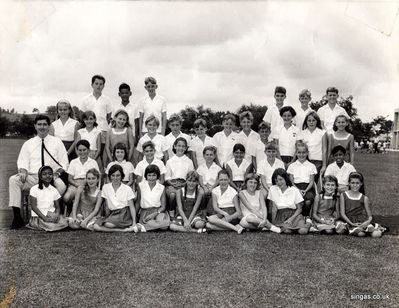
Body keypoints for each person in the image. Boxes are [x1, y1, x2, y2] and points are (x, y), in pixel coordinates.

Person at [8, 114, 68, 228]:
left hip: (51, 177)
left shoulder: (57, 142)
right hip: (33, 177)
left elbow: (64, 163)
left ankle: (50, 214)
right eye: (39, 124)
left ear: (49, 126)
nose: (42, 127)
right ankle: (17, 218)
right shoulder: (28, 144)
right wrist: (23, 171)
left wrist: (57, 174)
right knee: (13, 180)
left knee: (61, 186)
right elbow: (22, 161)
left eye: (45, 124)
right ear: (35, 126)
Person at [336, 172, 385, 237]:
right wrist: (351, 223)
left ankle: (372, 229)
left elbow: (370, 216)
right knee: (360, 234)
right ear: (349, 183)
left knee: (376, 235)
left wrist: (366, 222)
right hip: (348, 220)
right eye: (353, 183)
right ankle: (361, 230)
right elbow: (342, 214)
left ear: (361, 184)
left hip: (361, 220)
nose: (355, 185)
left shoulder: (364, 198)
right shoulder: (343, 195)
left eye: (357, 183)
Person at [80, 75, 112, 166]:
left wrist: (102, 128)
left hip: (103, 131)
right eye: (96, 83)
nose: (98, 86)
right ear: (92, 85)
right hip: (89, 131)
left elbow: (109, 117)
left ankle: (101, 175)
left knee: (102, 155)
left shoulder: (107, 100)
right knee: (89, 152)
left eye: (101, 84)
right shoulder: (85, 99)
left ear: (104, 86)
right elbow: (82, 116)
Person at [93, 165, 137, 232]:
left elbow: (132, 207)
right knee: (96, 226)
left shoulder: (127, 189)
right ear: (110, 176)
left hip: (124, 213)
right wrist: (107, 217)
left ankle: (119, 227)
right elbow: (107, 206)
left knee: (108, 225)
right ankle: (122, 230)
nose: (115, 178)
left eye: (118, 175)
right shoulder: (105, 187)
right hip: (112, 213)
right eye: (113, 175)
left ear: (122, 176)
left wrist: (134, 222)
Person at [267, 168, 309, 234]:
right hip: (281, 216)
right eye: (276, 181)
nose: (279, 182)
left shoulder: (294, 190)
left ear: (285, 179)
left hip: (294, 215)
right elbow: (273, 208)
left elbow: (299, 209)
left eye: (280, 179)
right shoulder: (272, 189)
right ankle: (289, 228)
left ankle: (307, 224)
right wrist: (273, 224)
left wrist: (291, 219)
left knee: (303, 231)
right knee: (287, 231)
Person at [27, 166, 68, 231]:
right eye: (44, 174)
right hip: (39, 216)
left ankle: (53, 224)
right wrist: (44, 218)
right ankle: (47, 225)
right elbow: (34, 207)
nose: (47, 176)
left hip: (51, 214)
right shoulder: (34, 189)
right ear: (40, 176)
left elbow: (57, 207)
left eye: (50, 174)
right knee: (52, 226)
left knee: (65, 222)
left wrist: (57, 215)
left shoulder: (54, 190)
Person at [63, 140, 100, 215]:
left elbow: (97, 177)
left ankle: (85, 213)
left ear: (88, 150)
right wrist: (78, 185)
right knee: (66, 198)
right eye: (80, 150)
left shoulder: (93, 162)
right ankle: (70, 210)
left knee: (86, 197)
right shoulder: (73, 162)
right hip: (75, 184)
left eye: (84, 150)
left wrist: (88, 183)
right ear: (77, 151)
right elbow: (69, 179)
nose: (82, 152)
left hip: (89, 184)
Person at [135, 165, 170, 232]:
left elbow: (163, 206)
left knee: (164, 227)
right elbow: (138, 202)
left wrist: (155, 213)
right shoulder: (141, 186)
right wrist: (134, 217)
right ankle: (148, 226)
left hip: (158, 211)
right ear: (146, 176)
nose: (151, 178)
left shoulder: (161, 187)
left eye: (154, 175)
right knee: (163, 225)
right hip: (145, 212)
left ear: (157, 176)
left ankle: (143, 227)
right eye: (149, 175)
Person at [165, 137, 195, 218]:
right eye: (179, 146)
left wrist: (185, 184)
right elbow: (167, 178)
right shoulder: (169, 161)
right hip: (172, 184)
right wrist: (173, 184)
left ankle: (181, 213)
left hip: (185, 184)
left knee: (183, 193)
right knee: (172, 194)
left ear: (185, 148)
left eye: (183, 146)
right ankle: (171, 213)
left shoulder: (189, 161)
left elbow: (191, 176)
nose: (180, 148)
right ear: (174, 146)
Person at [287, 142, 317, 219]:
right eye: (299, 152)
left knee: (308, 201)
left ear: (307, 153)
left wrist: (305, 190)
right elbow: (291, 181)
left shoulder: (311, 166)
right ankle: (297, 217)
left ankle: (306, 217)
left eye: (304, 152)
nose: (301, 155)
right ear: (296, 153)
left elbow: (311, 182)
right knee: (296, 202)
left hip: (308, 188)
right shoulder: (292, 166)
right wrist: (298, 190)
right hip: (295, 187)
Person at [297, 111, 327, 183]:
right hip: (305, 160)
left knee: (315, 183)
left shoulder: (322, 133)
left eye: (313, 120)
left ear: (317, 121)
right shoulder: (302, 133)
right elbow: (299, 148)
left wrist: (324, 165)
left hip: (318, 161)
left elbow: (324, 149)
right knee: (305, 181)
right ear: (306, 122)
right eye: (309, 120)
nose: (311, 122)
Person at [197, 146, 222, 213]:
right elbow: (200, 180)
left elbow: (218, 180)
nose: (209, 156)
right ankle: (201, 211)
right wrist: (204, 187)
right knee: (201, 193)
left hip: (213, 186)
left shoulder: (218, 168)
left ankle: (211, 212)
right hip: (203, 186)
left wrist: (212, 187)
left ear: (214, 156)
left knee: (214, 193)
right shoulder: (201, 167)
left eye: (211, 155)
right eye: (207, 155)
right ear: (204, 156)